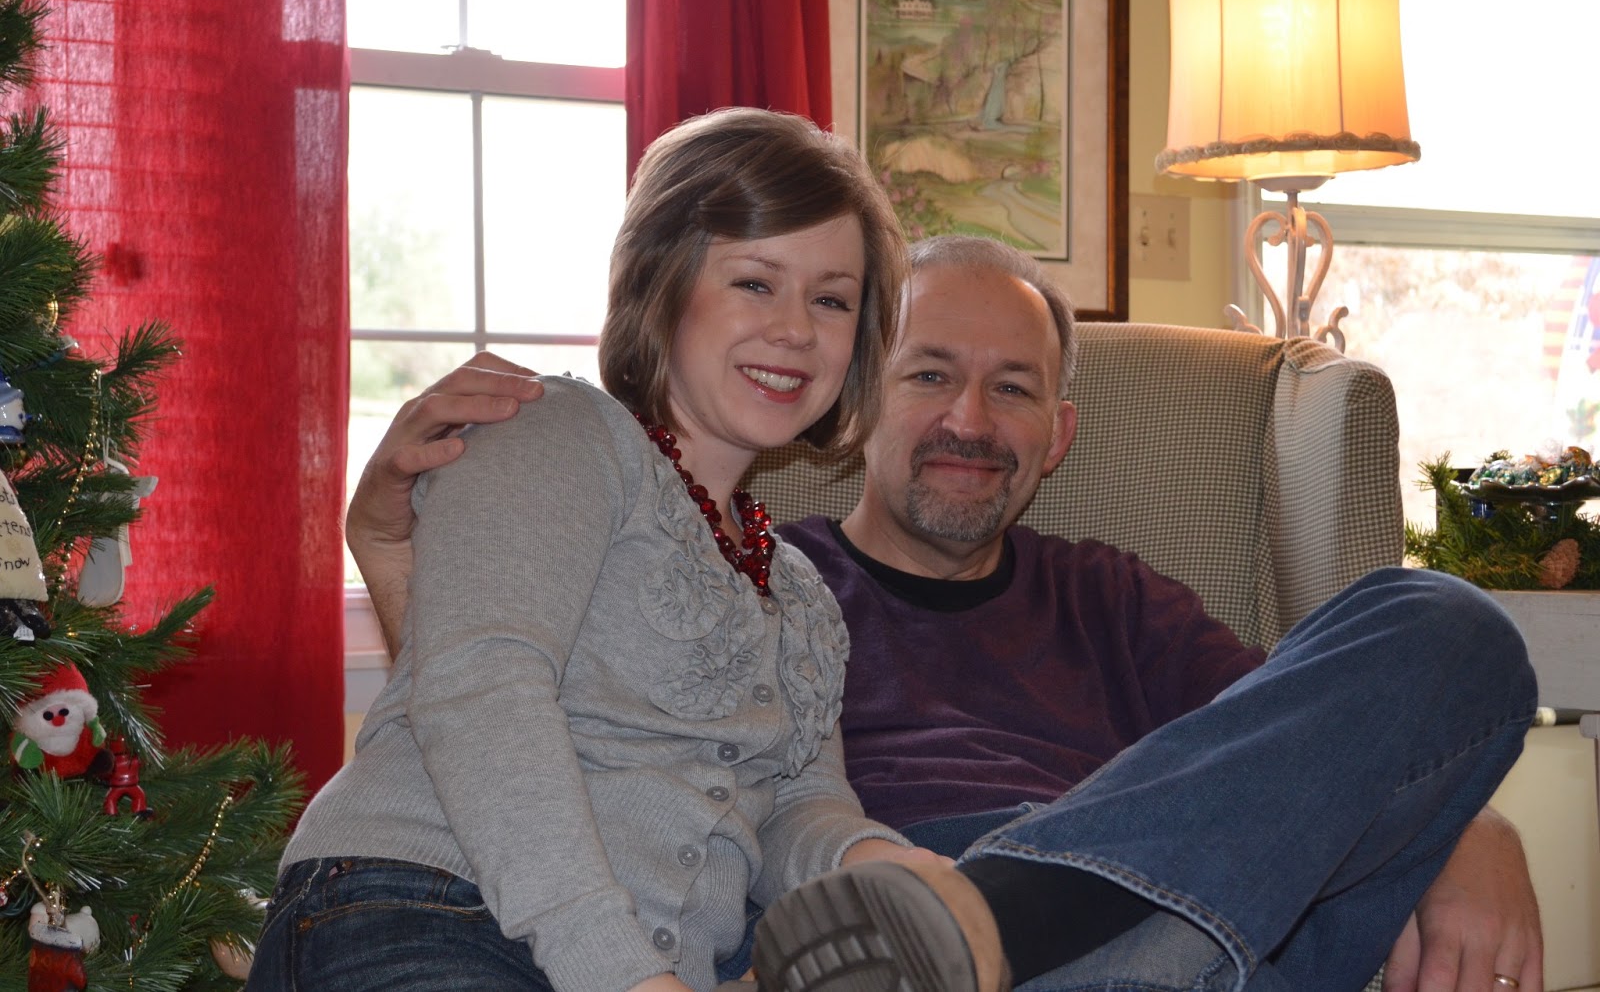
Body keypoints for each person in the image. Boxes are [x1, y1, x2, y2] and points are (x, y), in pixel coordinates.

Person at [348, 236, 1542, 992]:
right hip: (851, 937)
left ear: (1057, 436)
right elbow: (511, 736)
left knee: (1448, 622)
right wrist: (396, 551)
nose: (969, 420)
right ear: (858, 399)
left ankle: (989, 920)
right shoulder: (749, 582)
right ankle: (950, 916)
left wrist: (1472, 825)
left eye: (1010, 388)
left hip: (1167, 929)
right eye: (928, 374)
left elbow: (1296, 750)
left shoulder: (1118, 599)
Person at [248, 107, 940, 992]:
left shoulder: (801, 591)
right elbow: (482, 688)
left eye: (831, 299)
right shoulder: (559, 430)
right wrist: (624, 975)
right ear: (664, 282)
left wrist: (888, 864)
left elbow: (796, 806)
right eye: (755, 282)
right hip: (424, 906)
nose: (797, 328)